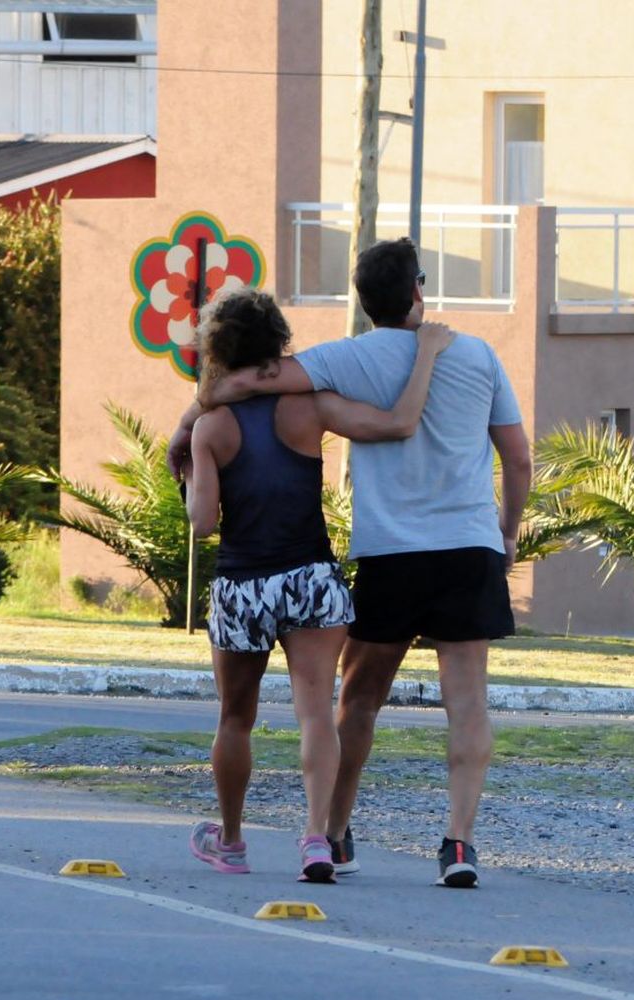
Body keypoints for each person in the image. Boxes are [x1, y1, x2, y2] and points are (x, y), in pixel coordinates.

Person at [170, 239, 531, 888]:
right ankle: (431, 842)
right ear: (417, 289)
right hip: (416, 556)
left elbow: (239, 400)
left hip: (350, 562)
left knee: (320, 703)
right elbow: (488, 451)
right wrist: (505, 533)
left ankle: (288, 836)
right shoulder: (467, 357)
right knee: (447, 701)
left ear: (362, 300)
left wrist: (190, 425)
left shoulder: (332, 365)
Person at [181, 287, 453, 883]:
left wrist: (191, 464)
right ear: (279, 343)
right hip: (311, 579)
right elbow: (397, 425)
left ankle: (229, 841)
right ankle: (315, 840)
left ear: (216, 350)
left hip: (243, 584)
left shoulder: (211, 426)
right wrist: (427, 356)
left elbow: (202, 524)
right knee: (314, 713)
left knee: (235, 718)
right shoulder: (313, 407)